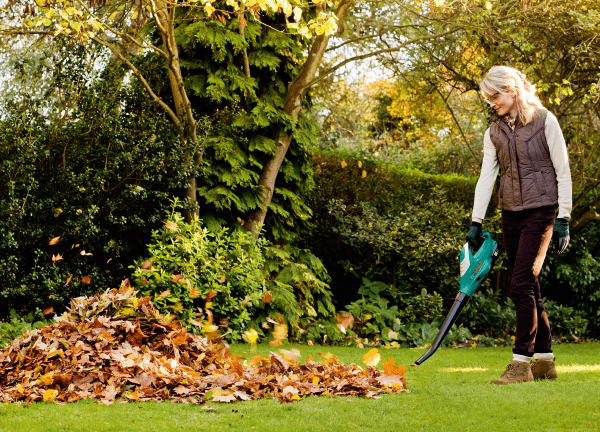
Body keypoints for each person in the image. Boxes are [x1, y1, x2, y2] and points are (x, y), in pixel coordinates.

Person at [466, 65, 572, 385]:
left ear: (511, 90)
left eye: (494, 95)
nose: (491, 103)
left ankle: (520, 363)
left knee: (520, 283)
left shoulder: (544, 121)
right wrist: (476, 220)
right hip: (510, 213)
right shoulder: (494, 131)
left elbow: (562, 169)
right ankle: (544, 360)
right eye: (488, 98)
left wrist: (564, 217)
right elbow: (487, 177)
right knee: (529, 285)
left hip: (541, 211)